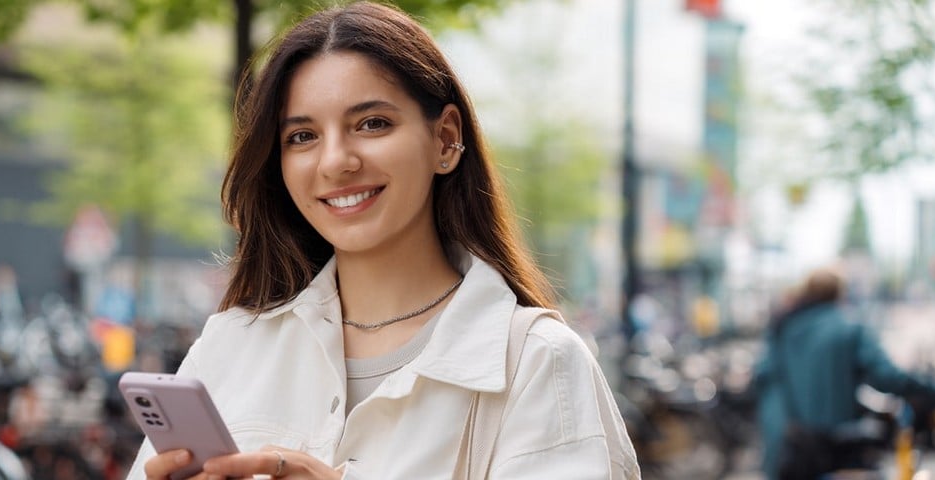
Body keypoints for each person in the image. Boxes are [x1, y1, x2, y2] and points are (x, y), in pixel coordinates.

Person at [126, 2, 638, 478]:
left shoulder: (537, 364)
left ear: (444, 139)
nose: (336, 162)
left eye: (372, 124)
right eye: (302, 136)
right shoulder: (231, 345)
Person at [754, 267, 935, 479]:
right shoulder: (848, 328)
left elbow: (763, 379)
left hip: (791, 452)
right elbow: (888, 378)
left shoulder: (782, 328)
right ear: (840, 294)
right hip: (835, 448)